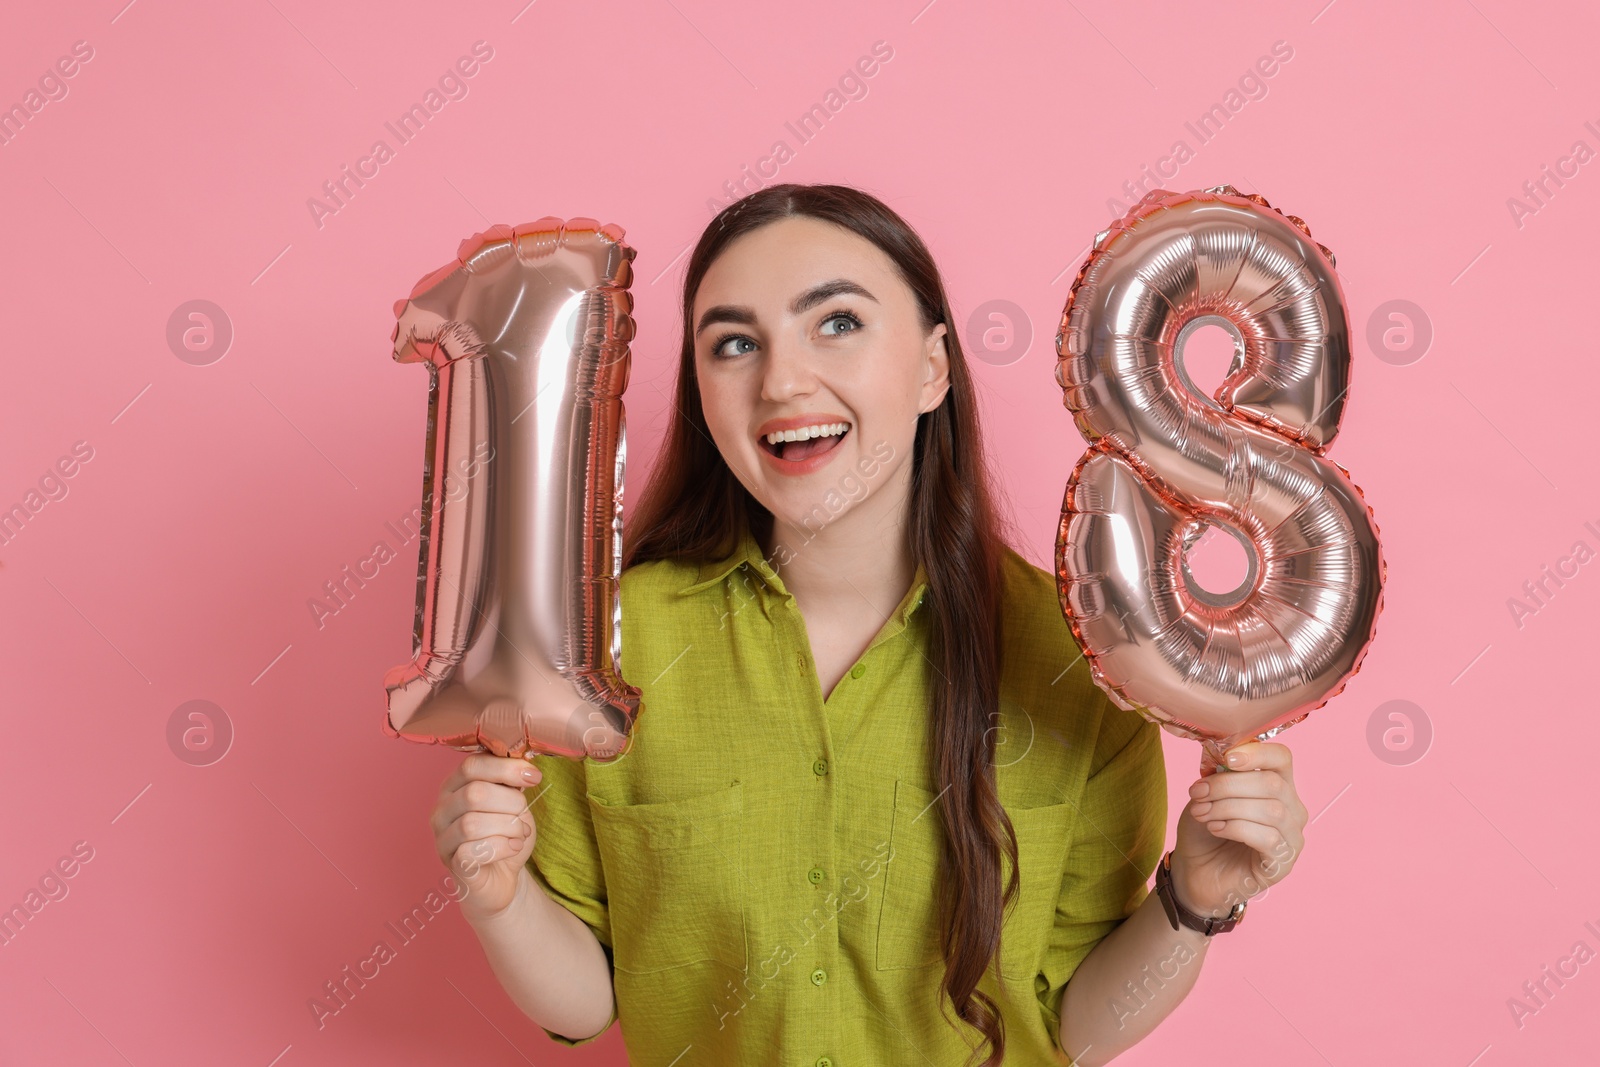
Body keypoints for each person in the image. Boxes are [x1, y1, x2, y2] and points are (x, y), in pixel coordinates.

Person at [430, 183, 1310, 1066]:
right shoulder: (606, 649)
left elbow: (1070, 1023)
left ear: (934, 367)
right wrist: (498, 898)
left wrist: (1193, 899)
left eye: (838, 322)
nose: (781, 381)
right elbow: (590, 1001)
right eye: (734, 344)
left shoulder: (1081, 655)